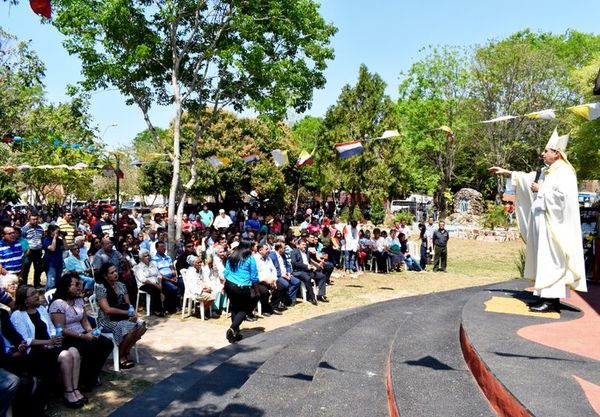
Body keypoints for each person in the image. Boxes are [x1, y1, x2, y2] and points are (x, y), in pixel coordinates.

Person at [489, 129, 587, 312]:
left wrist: (542, 189)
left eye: (546, 151)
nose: (543, 154)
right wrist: (507, 172)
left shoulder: (565, 172)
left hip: (554, 226)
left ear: (557, 152)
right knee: (544, 259)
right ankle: (545, 296)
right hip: (544, 222)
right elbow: (528, 180)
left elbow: (563, 197)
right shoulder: (547, 171)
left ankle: (551, 301)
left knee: (551, 259)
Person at [11, 285, 85, 409]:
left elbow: (51, 328)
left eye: (36, 292)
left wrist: (55, 337)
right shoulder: (17, 315)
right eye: (33, 294)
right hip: (35, 350)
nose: (37, 295)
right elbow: (26, 340)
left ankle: (74, 389)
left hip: (50, 345)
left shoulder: (41, 310)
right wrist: (48, 342)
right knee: (66, 355)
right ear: (25, 299)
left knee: (74, 351)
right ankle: (68, 393)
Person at [48, 273, 113, 389]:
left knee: (106, 344)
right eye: (76, 284)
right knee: (91, 347)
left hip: (82, 333)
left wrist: (90, 331)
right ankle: (83, 380)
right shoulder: (57, 304)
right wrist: (83, 336)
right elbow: (60, 329)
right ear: (66, 287)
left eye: (80, 284)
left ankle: (89, 375)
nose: (80, 287)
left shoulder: (78, 300)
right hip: (67, 337)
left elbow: (84, 320)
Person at [95, 263, 146, 369]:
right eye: (112, 273)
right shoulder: (101, 288)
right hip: (107, 320)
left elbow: (128, 304)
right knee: (131, 329)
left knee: (141, 326)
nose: (115, 274)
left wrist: (133, 313)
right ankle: (121, 355)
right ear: (105, 276)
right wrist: (127, 313)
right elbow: (107, 310)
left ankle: (126, 350)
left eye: (115, 271)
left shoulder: (121, 285)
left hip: (122, 316)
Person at [223, 240, 259, 343]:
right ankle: (232, 328)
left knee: (234, 307)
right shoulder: (250, 258)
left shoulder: (232, 256)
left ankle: (236, 333)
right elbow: (254, 276)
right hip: (242, 287)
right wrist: (256, 289)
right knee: (245, 309)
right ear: (249, 247)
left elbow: (226, 272)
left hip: (229, 285)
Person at [133, 250, 166, 317]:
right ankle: (157, 310)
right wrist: (156, 285)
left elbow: (158, 275)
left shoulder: (152, 264)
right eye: (145, 256)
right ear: (141, 258)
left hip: (156, 283)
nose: (147, 257)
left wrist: (160, 284)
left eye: (148, 255)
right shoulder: (138, 267)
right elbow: (143, 280)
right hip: (144, 285)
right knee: (154, 289)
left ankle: (167, 307)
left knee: (167, 286)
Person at [20, 214, 45, 288]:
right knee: (26, 269)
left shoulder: (40, 228)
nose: (35, 221)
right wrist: (26, 249)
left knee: (38, 268)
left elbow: (42, 238)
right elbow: (22, 241)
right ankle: (24, 285)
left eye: (36, 219)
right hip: (29, 252)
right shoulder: (24, 229)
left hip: (38, 251)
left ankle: (37, 284)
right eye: (33, 219)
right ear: (29, 220)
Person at [42, 225, 64, 290]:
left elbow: (66, 248)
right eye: (57, 231)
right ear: (51, 231)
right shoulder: (46, 239)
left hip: (59, 264)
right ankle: (48, 298)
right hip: (50, 264)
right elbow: (52, 248)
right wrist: (54, 238)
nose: (58, 233)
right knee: (50, 284)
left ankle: (55, 298)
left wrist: (64, 238)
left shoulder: (59, 240)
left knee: (57, 283)